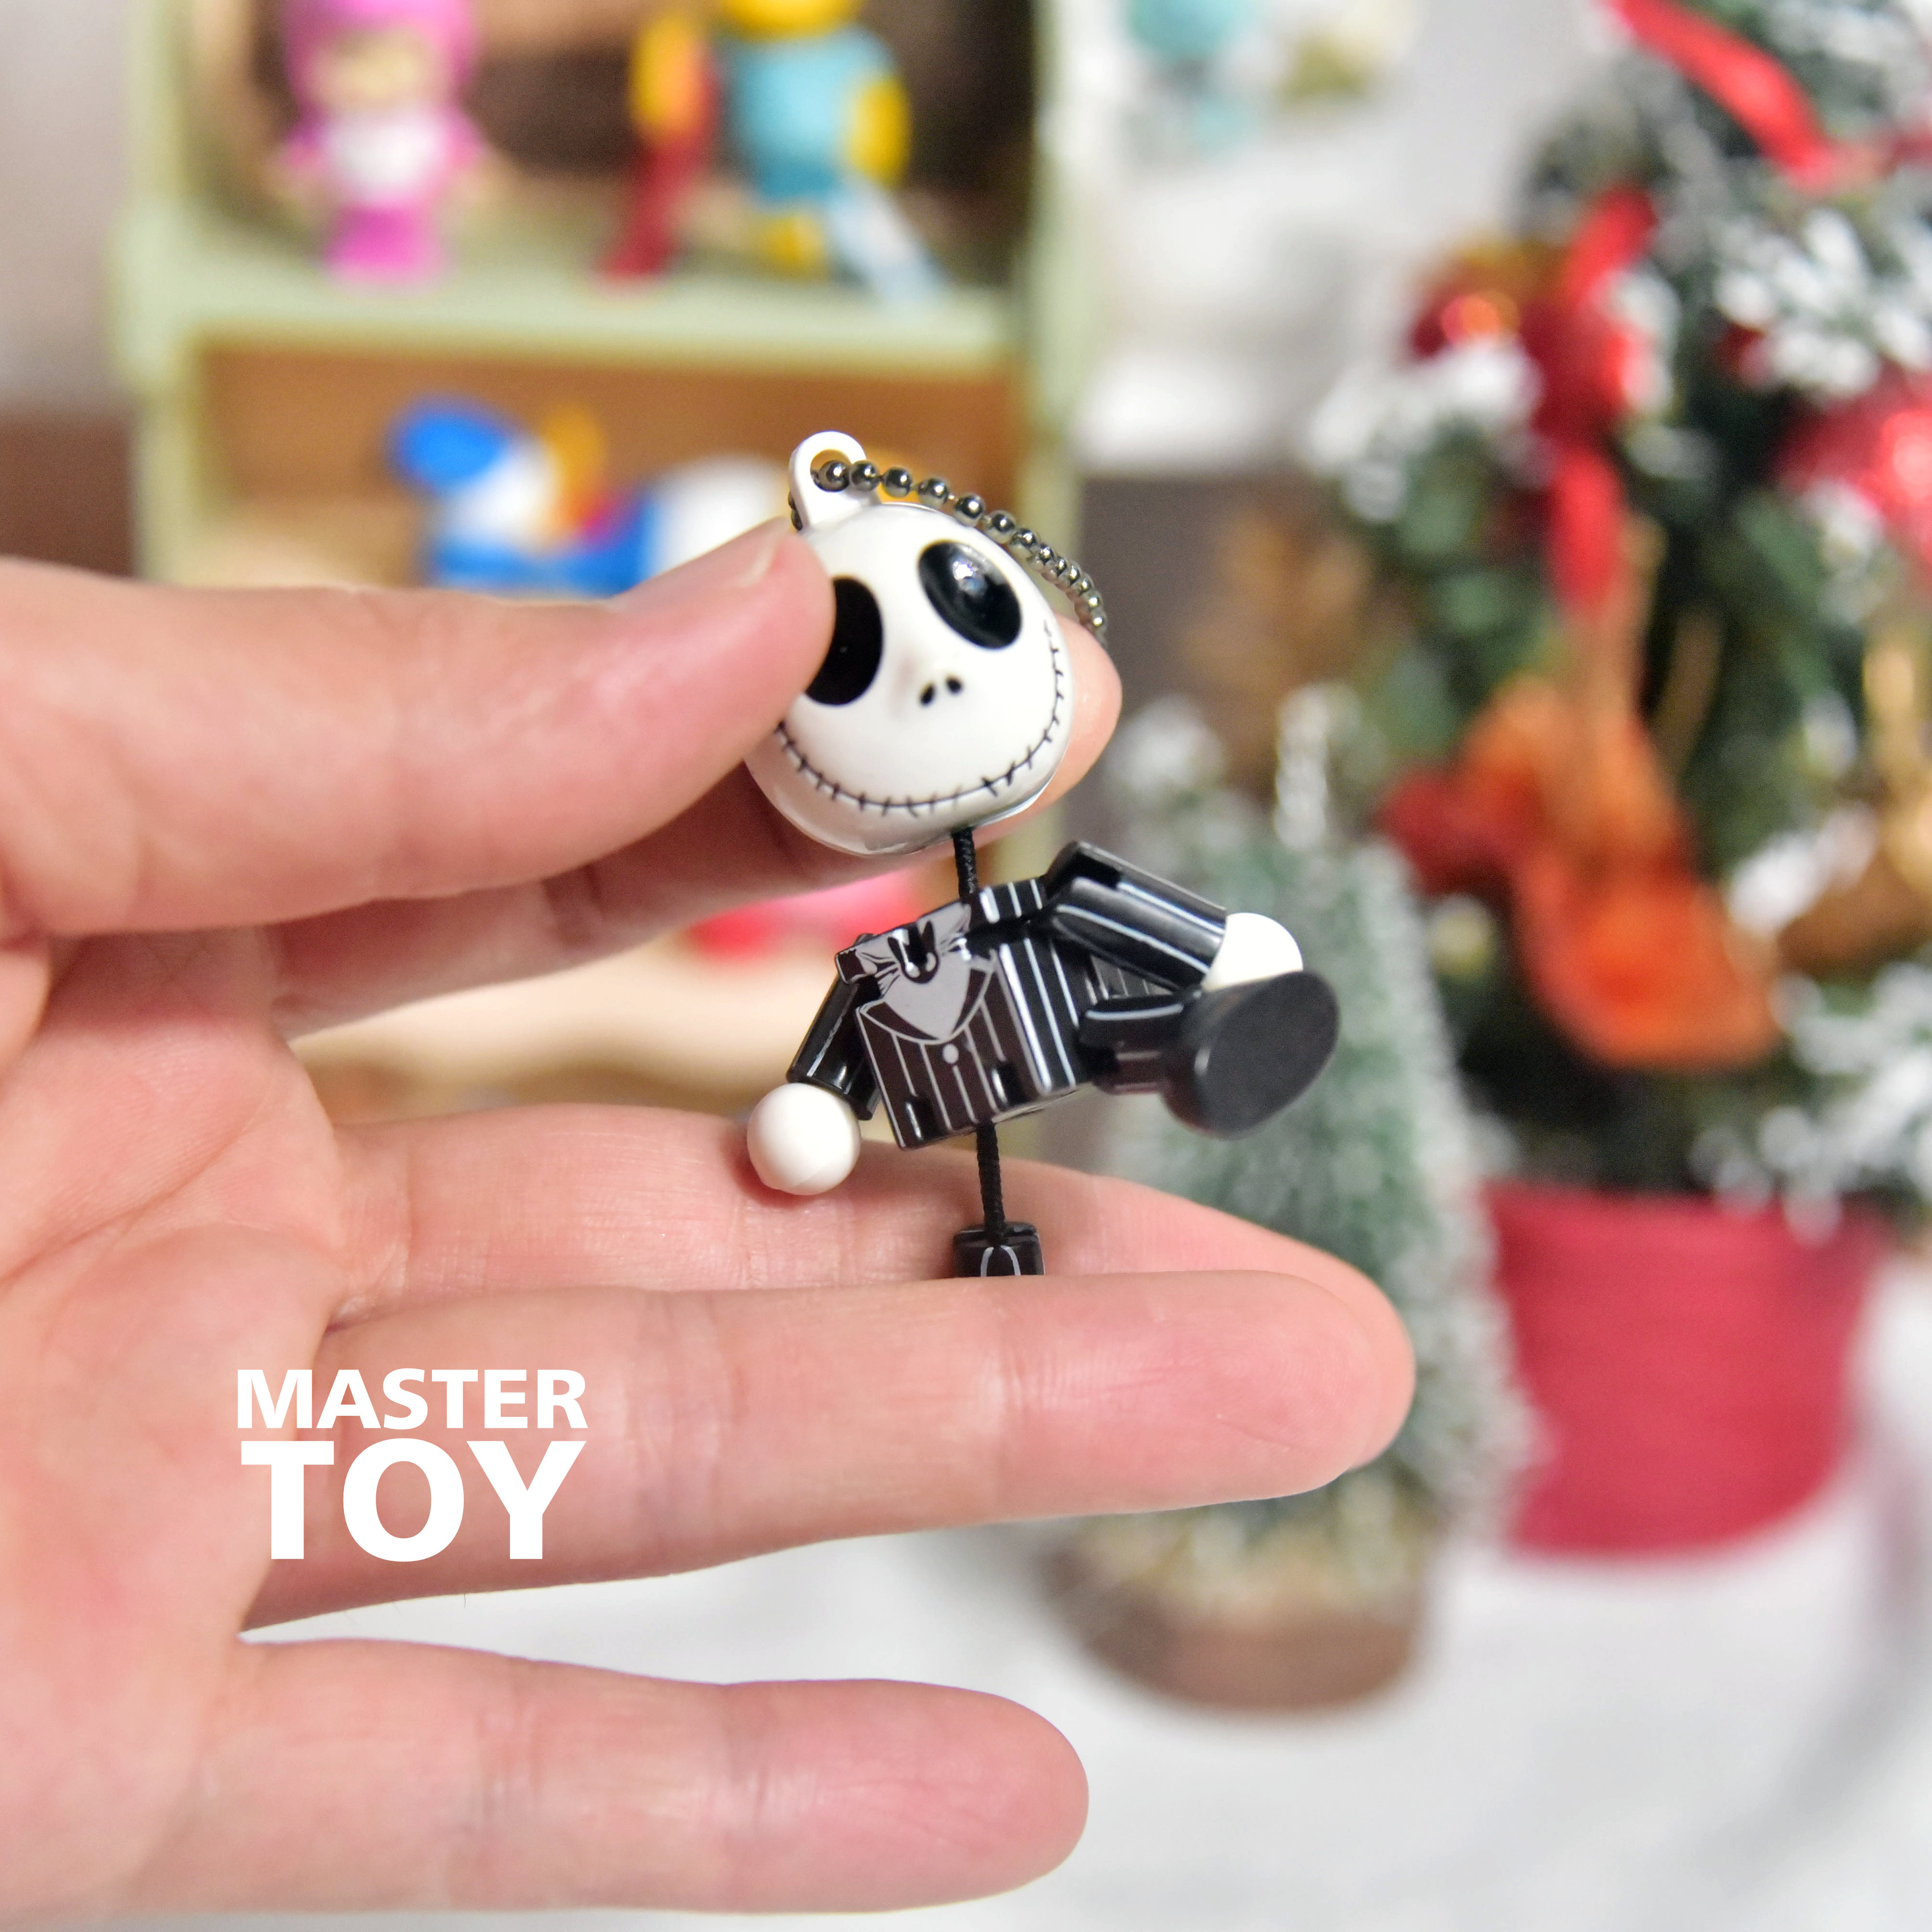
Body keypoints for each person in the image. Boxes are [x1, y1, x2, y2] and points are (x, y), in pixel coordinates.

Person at [0, 522, 1411, 1919]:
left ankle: (1199, 1038)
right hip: (956, 1056)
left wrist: (1220, 957)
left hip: (1058, 1021)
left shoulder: (1028, 910)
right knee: (1044, 1012)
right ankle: (1187, 1040)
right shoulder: (889, 963)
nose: (926, 680)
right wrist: (815, 1105)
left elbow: (1102, 907)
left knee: (1100, 990)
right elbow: (840, 1048)